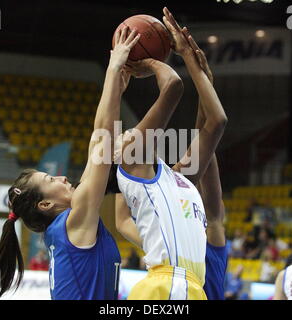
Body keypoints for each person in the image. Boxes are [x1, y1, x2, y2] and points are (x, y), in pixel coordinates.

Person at [0, 27, 141, 300]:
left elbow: (99, 142)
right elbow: (102, 145)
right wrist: (112, 71)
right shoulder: (74, 221)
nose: (61, 178)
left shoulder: (71, 221)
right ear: (46, 204)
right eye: (51, 180)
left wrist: (115, 87)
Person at [114, 7, 227, 300]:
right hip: (162, 287)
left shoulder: (178, 179)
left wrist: (201, 71)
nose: (131, 132)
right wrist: (148, 61)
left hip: (192, 289)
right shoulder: (131, 166)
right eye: (126, 134)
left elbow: (214, 123)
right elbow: (174, 86)